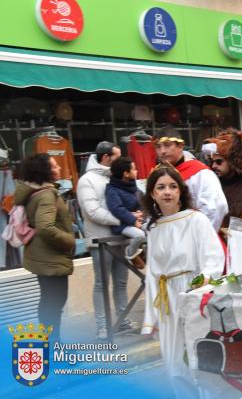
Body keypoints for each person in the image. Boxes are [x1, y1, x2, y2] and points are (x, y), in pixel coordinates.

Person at [140, 164, 224, 398]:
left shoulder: (196, 220)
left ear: (181, 191)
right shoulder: (154, 228)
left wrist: (202, 284)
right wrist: (152, 316)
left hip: (193, 295)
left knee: (200, 360)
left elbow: (213, 257)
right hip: (167, 302)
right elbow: (152, 275)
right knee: (175, 363)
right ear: (153, 194)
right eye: (161, 187)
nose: (167, 191)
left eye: (172, 186)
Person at [15, 154, 75, 341]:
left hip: (43, 256)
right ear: (44, 171)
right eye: (54, 166)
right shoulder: (47, 194)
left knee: (49, 302)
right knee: (54, 303)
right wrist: (69, 240)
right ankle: (54, 348)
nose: (58, 169)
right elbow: (45, 227)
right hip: (51, 258)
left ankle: (50, 345)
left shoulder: (38, 192)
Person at [78, 141, 131, 340]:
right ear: (106, 157)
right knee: (102, 283)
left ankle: (123, 320)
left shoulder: (117, 177)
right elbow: (92, 211)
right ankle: (103, 325)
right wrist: (123, 219)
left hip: (120, 237)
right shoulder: (87, 180)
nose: (122, 161)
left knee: (121, 282)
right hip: (101, 239)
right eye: (117, 156)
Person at [153, 127, 227, 231]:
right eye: (158, 147)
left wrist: (196, 235)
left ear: (180, 146)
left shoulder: (201, 173)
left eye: (167, 145)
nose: (162, 151)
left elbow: (215, 208)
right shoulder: (158, 176)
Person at [105, 157, 145, 267]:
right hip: (123, 224)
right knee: (139, 235)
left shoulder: (133, 187)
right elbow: (117, 209)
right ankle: (131, 254)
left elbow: (142, 201)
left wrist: (141, 213)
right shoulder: (113, 190)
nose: (136, 171)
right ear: (126, 173)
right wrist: (133, 220)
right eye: (134, 169)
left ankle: (145, 253)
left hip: (137, 221)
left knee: (153, 229)